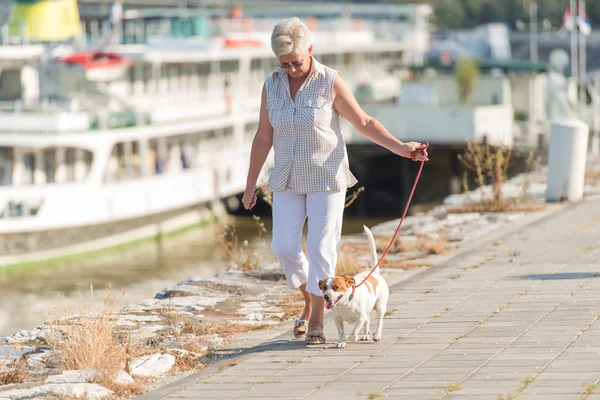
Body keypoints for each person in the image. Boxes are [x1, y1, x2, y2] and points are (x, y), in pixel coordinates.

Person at [241, 17, 429, 345]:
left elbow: (364, 121)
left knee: (320, 248)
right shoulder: (271, 85)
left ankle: (316, 317)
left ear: (310, 50)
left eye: (296, 62)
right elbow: (262, 137)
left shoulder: (330, 81)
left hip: (326, 176)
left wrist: (402, 148)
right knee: (284, 246)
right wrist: (249, 185)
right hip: (286, 175)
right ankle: (310, 296)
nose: (290, 69)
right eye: (283, 64)